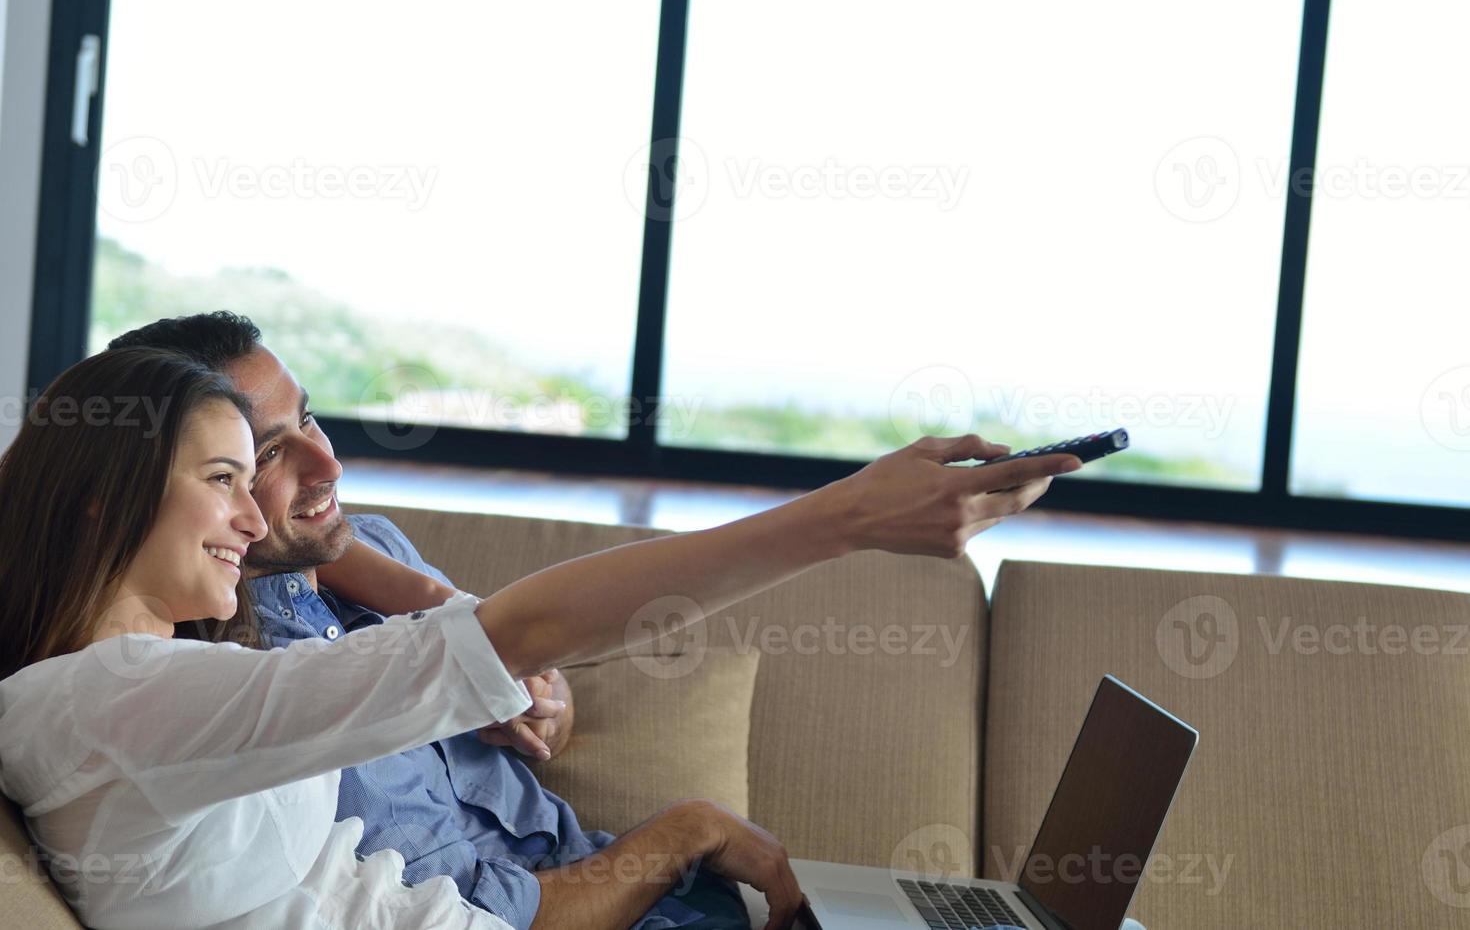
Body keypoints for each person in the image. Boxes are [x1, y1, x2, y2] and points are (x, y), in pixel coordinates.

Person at [0, 346, 1079, 930]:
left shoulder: (179, 681)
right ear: (104, 496)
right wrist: (840, 518)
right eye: (226, 479)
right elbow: (513, 632)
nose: (252, 515)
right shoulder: (111, 703)